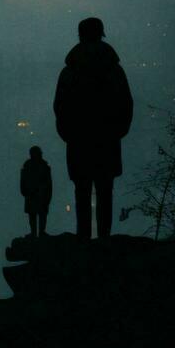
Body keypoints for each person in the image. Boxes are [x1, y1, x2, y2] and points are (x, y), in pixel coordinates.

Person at [53, 17, 133, 241]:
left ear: (80, 35)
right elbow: (126, 104)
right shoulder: (114, 71)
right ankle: (104, 239)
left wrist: (69, 134)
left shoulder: (69, 72)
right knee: (105, 191)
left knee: (82, 191)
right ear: (101, 34)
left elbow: (59, 107)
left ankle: (83, 238)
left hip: (79, 141)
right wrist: (117, 130)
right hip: (107, 139)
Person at [19, 146, 53, 238]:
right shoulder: (44, 165)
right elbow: (49, 183)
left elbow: (23, 181)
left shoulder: (28, 165)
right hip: (39, 195)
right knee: (39, 215)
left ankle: (35, 233)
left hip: (33, 195)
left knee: (34, 215)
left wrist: (25, 191)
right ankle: (41, 232)